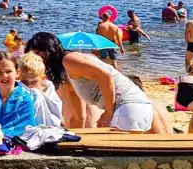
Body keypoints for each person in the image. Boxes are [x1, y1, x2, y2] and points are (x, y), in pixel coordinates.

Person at [25, 32, 168, 134]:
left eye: (38, 53)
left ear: (48, 49)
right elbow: (79, 117)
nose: (36, 59)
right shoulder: (66, 73)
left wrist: (108, 113)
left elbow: (106, 77)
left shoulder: (70, 60)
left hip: (127, 106)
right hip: (129, 106)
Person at [0, 51, 37, 138]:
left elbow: (27, 128)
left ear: (17, 73)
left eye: (8, 71)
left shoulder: (25, 100)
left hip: (18, 143)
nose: (4, 76)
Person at [17, 52, 63, 128]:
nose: (29, 86)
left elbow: (56, 108)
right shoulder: (19, 89)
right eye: (24, 82)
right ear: (18, 77)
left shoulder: (49, 89)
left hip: (49, 127)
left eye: (34, 82)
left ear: (43, 78)